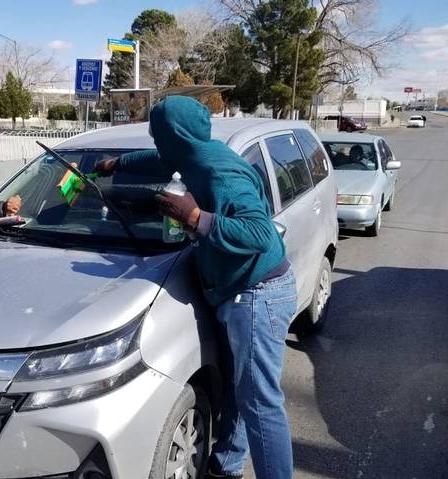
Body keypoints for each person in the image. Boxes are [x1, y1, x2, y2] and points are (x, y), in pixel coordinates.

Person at [95, 96, 295, 479]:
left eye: (158, 136)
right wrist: (116, 164)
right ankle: (228, 465)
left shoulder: (219, 173)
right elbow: (157, 160)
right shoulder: (191, 153)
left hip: (256, 294)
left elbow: (258, 232)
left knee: (261, 404)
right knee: (242, 390)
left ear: (175, 136)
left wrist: (194, 216)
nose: (156, 144)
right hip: (244, 290)